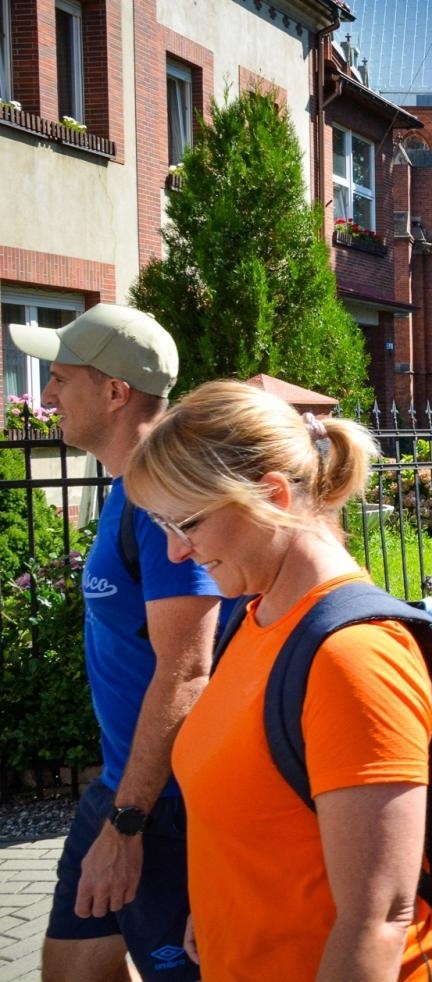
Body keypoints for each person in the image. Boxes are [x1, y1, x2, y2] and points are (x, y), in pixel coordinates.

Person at [120, 380, 432, 980]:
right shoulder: (257, 618)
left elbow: (378, 917)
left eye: (186, 524)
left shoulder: (352, 654)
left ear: (272, 497)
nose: (176, 553)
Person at [10, 305, 223, 982]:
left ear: (114, 392)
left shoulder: (166, 497)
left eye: (61, 378)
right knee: (72, 969)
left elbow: (188, 669)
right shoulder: (127, 489)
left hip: (161, 805)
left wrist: (128, 825)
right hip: (119, 786)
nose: (46, 395)